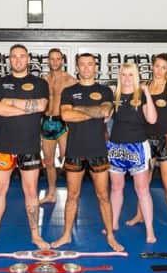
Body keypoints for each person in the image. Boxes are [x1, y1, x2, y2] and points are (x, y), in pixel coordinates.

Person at [0, 44, 49, 252]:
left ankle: (35, 235)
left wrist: (10, 103)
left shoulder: (40, 83)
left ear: (28, 58)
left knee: (31, 191)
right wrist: (26, 108)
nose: (18, 60)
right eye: (14, 57)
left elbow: (41, 107)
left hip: (29, 146)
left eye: (22, 56)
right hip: (4, 147)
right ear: (9, 60)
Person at [52, 53, 124, 252]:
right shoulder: (68, 91)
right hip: (75, 149)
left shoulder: (105, 91)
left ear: (96, 67)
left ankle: (110, 236)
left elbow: (104, 112)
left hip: (97, 150)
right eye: (82, 65)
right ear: (77, 67)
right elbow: (66, 115)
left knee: (103, 196)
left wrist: (79, 110)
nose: (86, 68)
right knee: (72, 195)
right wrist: (92, 110)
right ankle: (66, 235)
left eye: (90, 64)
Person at [125, 53, 167, 237]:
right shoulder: (144, 87)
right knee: (142, 183)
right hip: (144, 140)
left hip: (164, 140)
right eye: (157, 66)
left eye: (163, 67)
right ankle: (139, 215)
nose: (159, 70)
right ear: (152, 66)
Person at [107, 63, 157, 242]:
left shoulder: (142, 95)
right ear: (119, 76)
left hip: (137, 146)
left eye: (130, 75)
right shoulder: (114, 95)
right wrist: (106, 97)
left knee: (142, 189)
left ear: (135, 76)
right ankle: (113, 223)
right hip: (116, 147)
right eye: (123, 75)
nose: (126, 78)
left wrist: (148, 93)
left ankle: (150, 230)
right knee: (116, 187)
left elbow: (152, 119)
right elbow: (105, 117)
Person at [40, 48, 77, 204]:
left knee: (67, 160)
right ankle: (51, 194)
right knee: (48, 161)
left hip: (63, 122)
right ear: (48, 61)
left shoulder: (70, 80)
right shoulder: (43, 80)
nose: (55, 62)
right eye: (52, 59)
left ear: (62, 60)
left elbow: (78, 103)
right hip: (46, 122)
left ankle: (72, 196)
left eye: (58, 59)